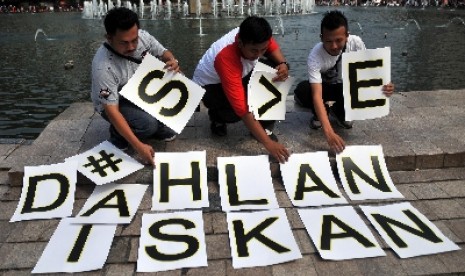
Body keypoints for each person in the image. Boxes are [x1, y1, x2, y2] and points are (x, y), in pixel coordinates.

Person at [192, 16, 290, 164]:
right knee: (233, 113)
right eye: (254, 50)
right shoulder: (225, 57)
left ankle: (263, 125)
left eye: (262, 49)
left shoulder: (257, 35)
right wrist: (269, 145)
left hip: (239, 73)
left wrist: (283, 64)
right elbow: (242, 109)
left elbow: (271, 47)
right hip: (211, 87)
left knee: (275, 71)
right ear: (240, 43)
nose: (258, 54)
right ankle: (217, 118)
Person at [294, 10, 395, 154]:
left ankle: (336, 110)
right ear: (321, 38)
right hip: (324, 90)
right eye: (328, 41)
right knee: (306, 91)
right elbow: (317, 94)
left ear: (347, 35)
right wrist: (328, 133)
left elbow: (369, 70)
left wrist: (387, 85)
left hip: (342, 88)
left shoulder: (356, 43)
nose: (334, 46)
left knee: (346, 121)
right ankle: (321, 112)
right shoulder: (315, 56)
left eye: (339, 40)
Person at [91, 7, 180, 166]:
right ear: (109, 38)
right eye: (124, 43)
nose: (131, 47)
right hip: (115, 101)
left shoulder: (143, 37)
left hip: (139, 87)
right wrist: (139, 147)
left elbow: (164, 52)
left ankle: (141, 124)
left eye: (134, 40)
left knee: (170, 124)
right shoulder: (103, 66)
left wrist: (172, 61)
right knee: (148, 126)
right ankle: (117, 134)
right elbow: (112, 111)